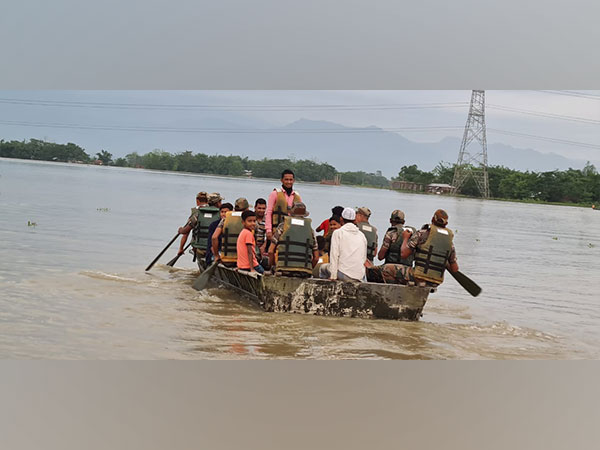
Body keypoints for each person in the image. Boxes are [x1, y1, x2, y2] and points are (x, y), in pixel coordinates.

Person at [382, 209, 459, 286]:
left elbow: (403, 254)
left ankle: (394, 293)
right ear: (446, 223)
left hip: (418, 276)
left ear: (432, 219)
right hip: (435, 282)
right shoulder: (450, 242)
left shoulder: (422, 233)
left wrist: (405, 238)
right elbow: (455, 269)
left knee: (386, 269)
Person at [269, 202, 319, 277]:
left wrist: (272, 266)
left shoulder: (282, 226)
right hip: (304, 272)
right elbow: (316, 258)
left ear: (291, 213)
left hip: (283, 269)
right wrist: (308, 269)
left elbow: (270, 251)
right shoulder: (310, 230)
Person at [319, 207, 368, 282]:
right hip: (359, 276)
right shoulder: (362, 235)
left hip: (344, 274)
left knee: (322, 268)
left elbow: (334, 255)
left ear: (341, 219)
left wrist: (333, 276)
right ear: (354, 220)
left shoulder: (338, 233)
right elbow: (364, 258)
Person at [177, 191, 220, 261]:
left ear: (197, 200)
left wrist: (181, 248)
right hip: (214, 246)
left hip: (199, 246)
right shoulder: (219, 213)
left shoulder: (196, 213)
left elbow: (186, 233)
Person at [265, 169, 302, 245]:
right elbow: (269, 212)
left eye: (291, 180)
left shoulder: (297, 196)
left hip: (292, 231)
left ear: (294, 180)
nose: (289, 182)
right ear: (281, 180)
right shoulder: (275, 194)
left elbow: (301, 215)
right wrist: (268, 230)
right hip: (276, 230)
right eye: (286, 179)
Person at [211, 198, 250, 266]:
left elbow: (214, 237)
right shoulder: (249, 220)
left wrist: (217, 256)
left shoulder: (225, 220)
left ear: (234, 209)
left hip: (227, 260)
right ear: (247, 209)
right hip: (245, 260)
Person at [254, 198, 267, 262]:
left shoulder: (268, 219)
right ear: (255, 208)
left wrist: (263, 246)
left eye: (263, 208)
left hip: (263, 247)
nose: (261, 210)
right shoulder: (250, 217)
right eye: (259, 208)